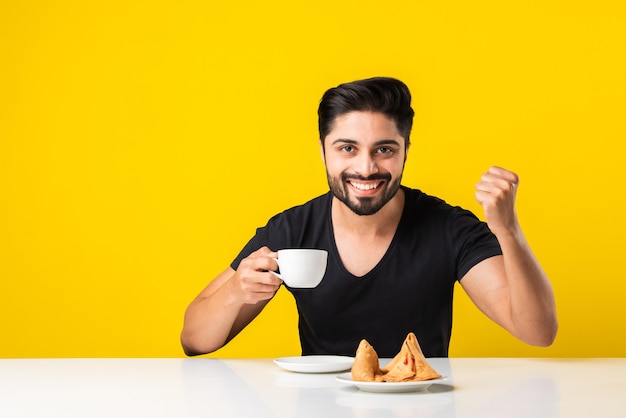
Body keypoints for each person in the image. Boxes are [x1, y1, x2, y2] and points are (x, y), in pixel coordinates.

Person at [180, 77, 558, 358]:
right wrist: (234, 292)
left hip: (423, 405)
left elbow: (537, 331)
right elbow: (194, 340)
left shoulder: (450, 229)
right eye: (347, 148)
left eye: (384, 149)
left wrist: (509, 232)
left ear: (406, 150)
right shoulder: (291, 230)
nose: (366, 167)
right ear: (323, 151)